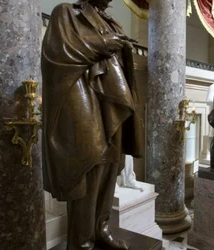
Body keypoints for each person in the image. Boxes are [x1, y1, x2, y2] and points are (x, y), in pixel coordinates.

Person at [41, 0, 144, 249]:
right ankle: (82, 241)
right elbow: (58, 52)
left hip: (112, 102)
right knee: (90, 166)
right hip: (84, 96)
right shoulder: (66, 12)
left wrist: (124, 47)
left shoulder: (111, 21)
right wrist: (105, 44)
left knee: (111, 165)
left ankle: (101, 229)